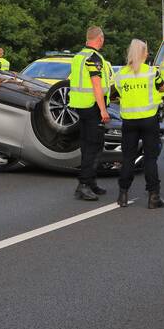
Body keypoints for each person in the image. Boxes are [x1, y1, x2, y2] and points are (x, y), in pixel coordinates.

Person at [113, 39, 164, 209]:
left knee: (128, 157)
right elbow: (163, 88)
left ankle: (123, 194)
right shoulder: (152, 72)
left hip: (129, 121)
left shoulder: (121, 74)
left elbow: (117, 92)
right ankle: (154, 196)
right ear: (144, 53)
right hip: (149, 120)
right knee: (150, 158)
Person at [68, 26, 113, 201]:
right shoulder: (94, 58)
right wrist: (103, 109)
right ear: (100, 39)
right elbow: (96, 85)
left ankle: (90, 181)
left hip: (80, 105)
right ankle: (84, 184)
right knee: (94, 146)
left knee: (88, 144)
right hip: (92, 106)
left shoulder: (79, 56)